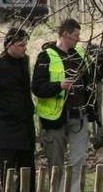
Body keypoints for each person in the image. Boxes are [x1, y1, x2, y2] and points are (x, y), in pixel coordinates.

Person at [32, 18, 95, 192]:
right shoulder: (46, 56)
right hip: (55, 119)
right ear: (65, 34)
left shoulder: (79, 54)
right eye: (76, 35)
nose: (78, 38)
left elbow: (91, 80)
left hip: (79, 116)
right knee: (56, 162)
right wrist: (59, 86)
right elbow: (37, 87)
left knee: (78, 160)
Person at [0, 28, 35, 192]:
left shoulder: (24, 61)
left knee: (27, 172)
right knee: (7, 171)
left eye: (25, 44)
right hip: (6, 127)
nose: (25, 48)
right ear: (9, 45)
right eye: (21, 45)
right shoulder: (1, 65)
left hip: (25, 124)